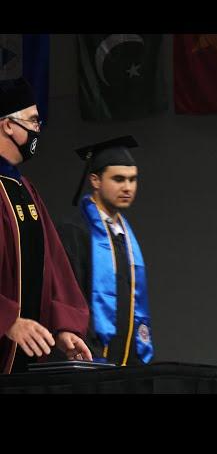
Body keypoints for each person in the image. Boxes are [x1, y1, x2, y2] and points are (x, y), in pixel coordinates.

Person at [0, 77, 92, 373]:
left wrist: (63, 326)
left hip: (19, 364)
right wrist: (6, 319)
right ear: (7, 126)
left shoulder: (24, 188)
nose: (38, 130)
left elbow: (53, 262)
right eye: (33, 121)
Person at [57, 136, 153, 366]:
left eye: (132, 179)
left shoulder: (125, 237)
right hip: (87, 358)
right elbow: (68, 297)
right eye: (118, 179)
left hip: (126, 360)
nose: (128, 187)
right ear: (95, 180)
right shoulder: (74, 230)